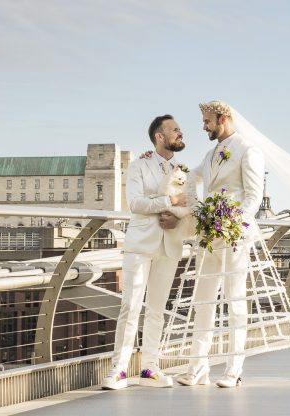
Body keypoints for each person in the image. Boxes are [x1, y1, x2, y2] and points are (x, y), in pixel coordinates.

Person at [175, 100, 264, 388]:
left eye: (207, 121)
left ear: (222, 119)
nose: (203, 127)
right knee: (204, 300)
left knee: (235, 301)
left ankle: (233, 369)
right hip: (209, 237)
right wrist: (200, 212)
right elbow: (192, 176)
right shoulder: (211, 153)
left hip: (235, 236)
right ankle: (197, 368)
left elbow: (253, 196)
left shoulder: (248, 150)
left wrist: (233, 223)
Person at [101, 115, 187, 390]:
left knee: (157, 309)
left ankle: (151, 367)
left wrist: (176, 216)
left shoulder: (183, 172)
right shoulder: (139, 165)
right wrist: (170, 201)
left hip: (170, 244)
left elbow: (189, 206)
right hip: (140, 245)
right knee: (131, 306)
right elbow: (135, 203)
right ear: (159, 137)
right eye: (174, 130)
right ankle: (119, 369)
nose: (180, 132)